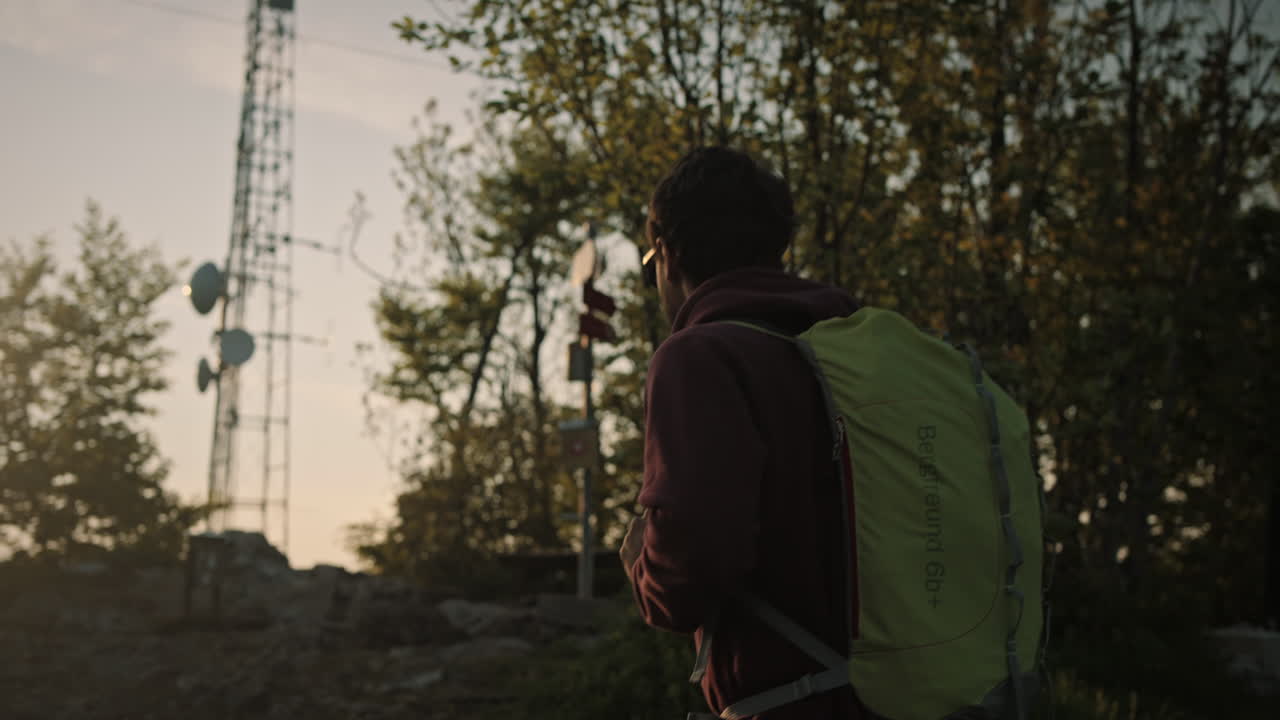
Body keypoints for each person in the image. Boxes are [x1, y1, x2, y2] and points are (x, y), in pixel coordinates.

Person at [620, 146, 864, 719]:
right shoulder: (860, 352)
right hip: (921, 696)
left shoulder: (701, 356)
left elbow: (695, 555)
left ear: (669, 256)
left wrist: (644, 569)